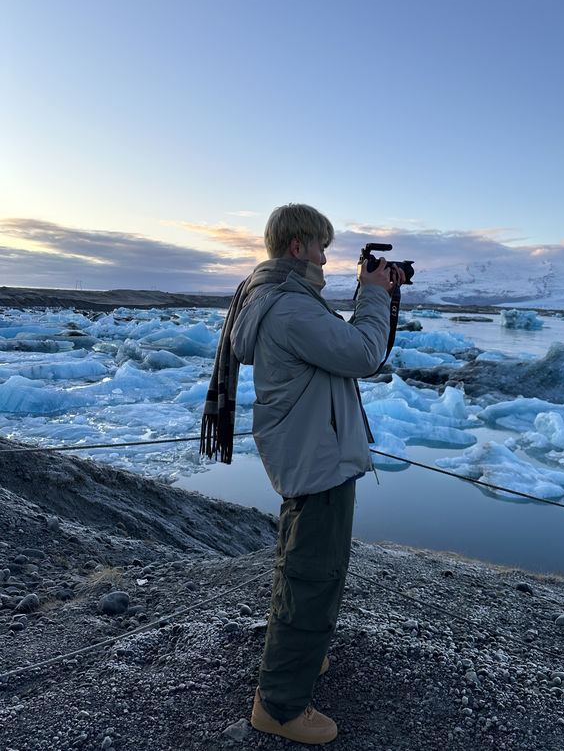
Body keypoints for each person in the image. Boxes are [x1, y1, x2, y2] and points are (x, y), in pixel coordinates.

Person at [201, 203, 402, 744]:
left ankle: (301, 657)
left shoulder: (279, 300)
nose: (326, 259)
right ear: (298, 248)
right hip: (318, 460)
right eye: (321, 248)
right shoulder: (290, 309)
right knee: (313, 576)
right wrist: (375, 295)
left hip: (311, 453)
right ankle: (280, 706)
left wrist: (374, 295)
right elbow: (362, 352)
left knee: (303, 568)